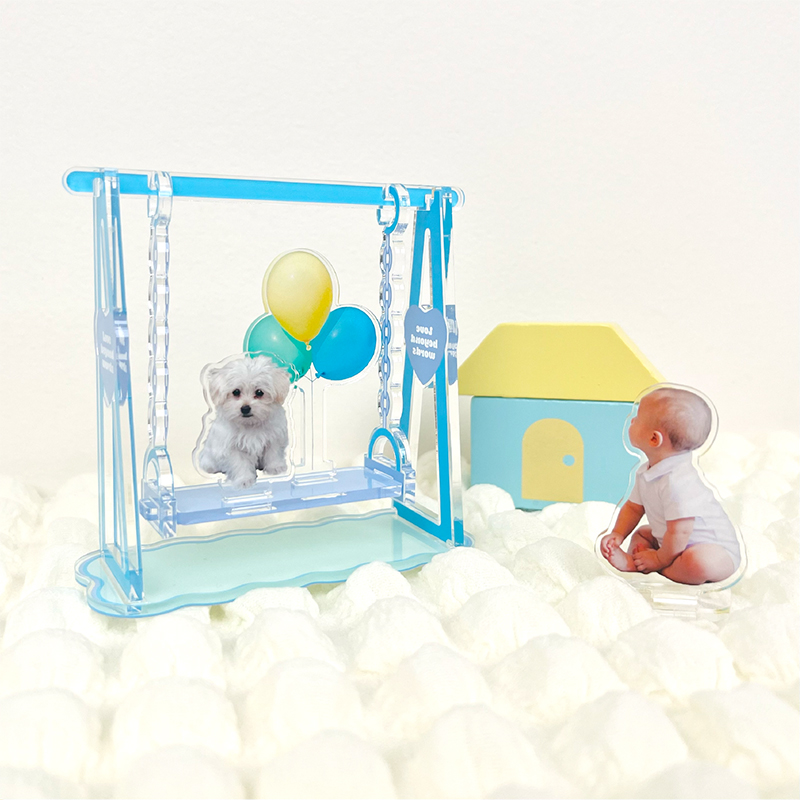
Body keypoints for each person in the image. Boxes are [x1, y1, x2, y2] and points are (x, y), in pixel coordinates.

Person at [600, 387, 740, 584]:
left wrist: (658, 559)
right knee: (642, 533)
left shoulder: (679, 481)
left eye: (637, 419)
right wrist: (618, 534)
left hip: (716, 552)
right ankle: (643, 562)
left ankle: (654, 569)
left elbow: (680, 532)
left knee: (698, 562)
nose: (631, 421)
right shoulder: (647, 472)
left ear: (654, 439)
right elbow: (633, 508)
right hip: (670, 543)